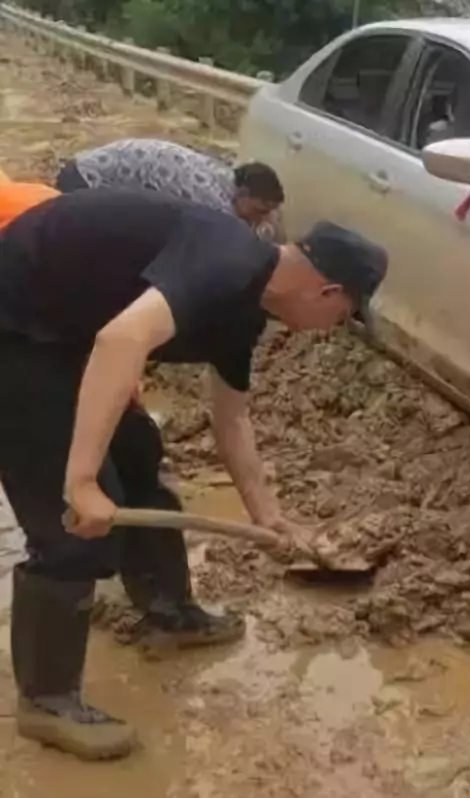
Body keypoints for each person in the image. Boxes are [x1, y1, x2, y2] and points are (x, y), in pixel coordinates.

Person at [0, 186, 387, 761]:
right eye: (343, 316)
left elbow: (232, 421)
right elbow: (122, 337)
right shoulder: (228, 260)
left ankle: (169, 610)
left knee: (136, 454)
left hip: (60, 335)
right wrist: (80, 481)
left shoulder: (245, 308)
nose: (333, 328)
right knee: (75, 526)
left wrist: (269, 517)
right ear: (328, 290)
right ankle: (47, 700)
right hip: (15, 332)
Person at [55, 138, 285, 229]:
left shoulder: (221, 173)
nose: (259, 219)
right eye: (258, 211)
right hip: (85, 181)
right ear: (243, 192)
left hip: (87, 168)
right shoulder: (210, 197)